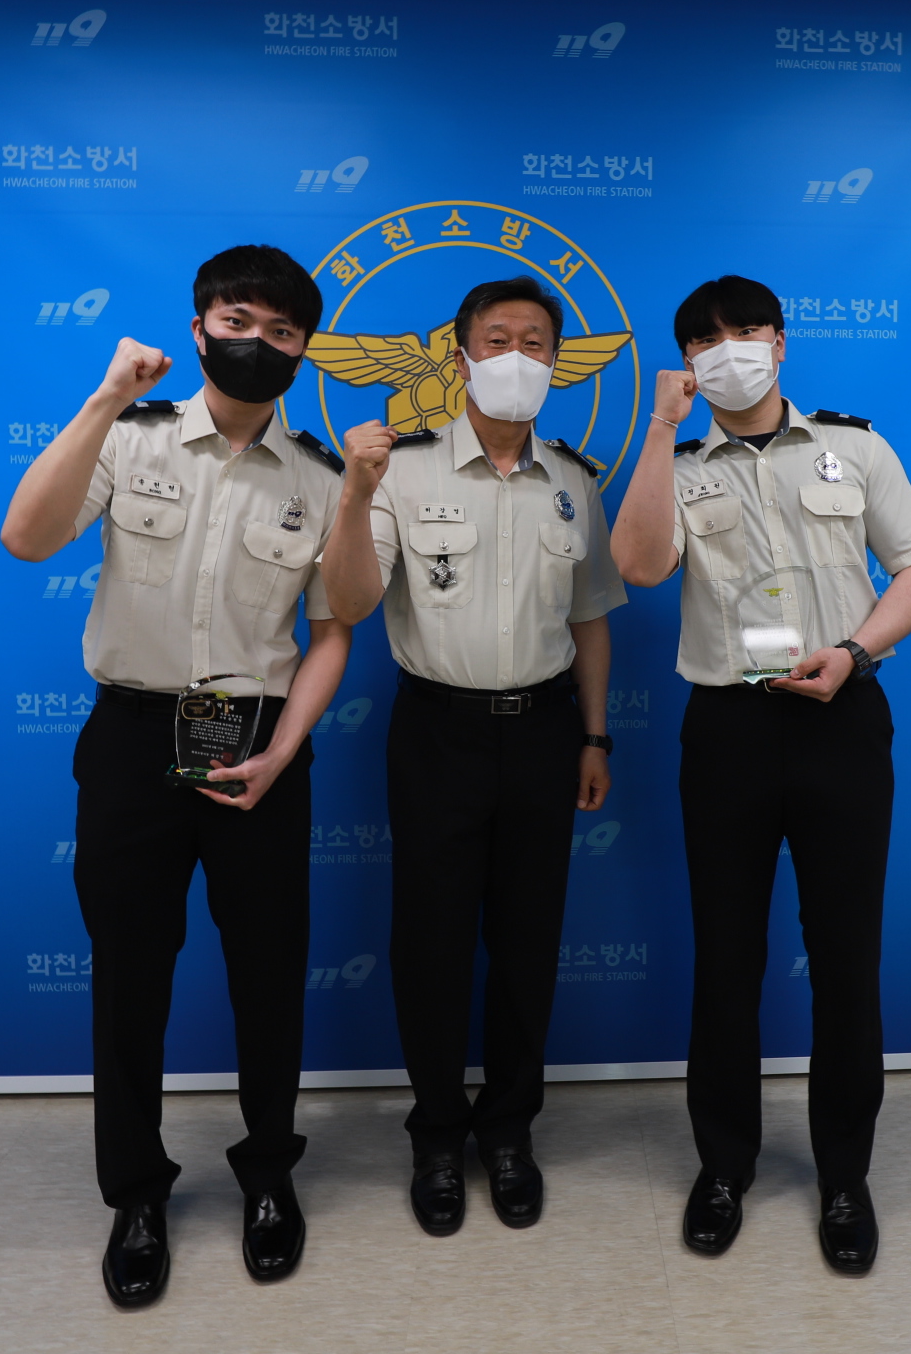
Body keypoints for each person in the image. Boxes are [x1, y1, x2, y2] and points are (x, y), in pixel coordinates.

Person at [0, 244, 350, 1306]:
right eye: (238, 321)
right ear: (199, 329)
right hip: (133, 740)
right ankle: (137, 1194)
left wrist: (283, 749)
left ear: (303, 350)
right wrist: (104, 398)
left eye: (282, 331)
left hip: (257, 742)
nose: (258, 343)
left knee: (268, 974)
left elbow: (333, 631)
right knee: (129, 977)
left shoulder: (322, 477)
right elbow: (26, 536)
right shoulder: (131, 436)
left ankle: (270, 1175)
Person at [607, 273, 911, 1276]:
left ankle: (845, 1174)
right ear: (687, 358)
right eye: (706, 339)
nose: (730, 349)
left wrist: (858, 651)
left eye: (747, 330)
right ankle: (724, 1166)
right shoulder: (677, 460)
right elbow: (639, 566)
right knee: (726, 958)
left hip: (842, 713)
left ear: (781, 341)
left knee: (846, 955)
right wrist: (661, 430)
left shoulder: (855, 448)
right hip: (729, 727)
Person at [320, 276, 623, 1237]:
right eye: (498, 339)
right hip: (437, 731)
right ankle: (438, 1136)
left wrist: (594, 733)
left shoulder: (573, 481)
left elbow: (591, 619)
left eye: (537, 342)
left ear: (557, 364)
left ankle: (509, 1131)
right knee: (433, 942)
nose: (517, 357)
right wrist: (354, 491)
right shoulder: (401, 470)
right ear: (459, 358)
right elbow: (352, 604)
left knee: (529, 940)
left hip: (543, 730)